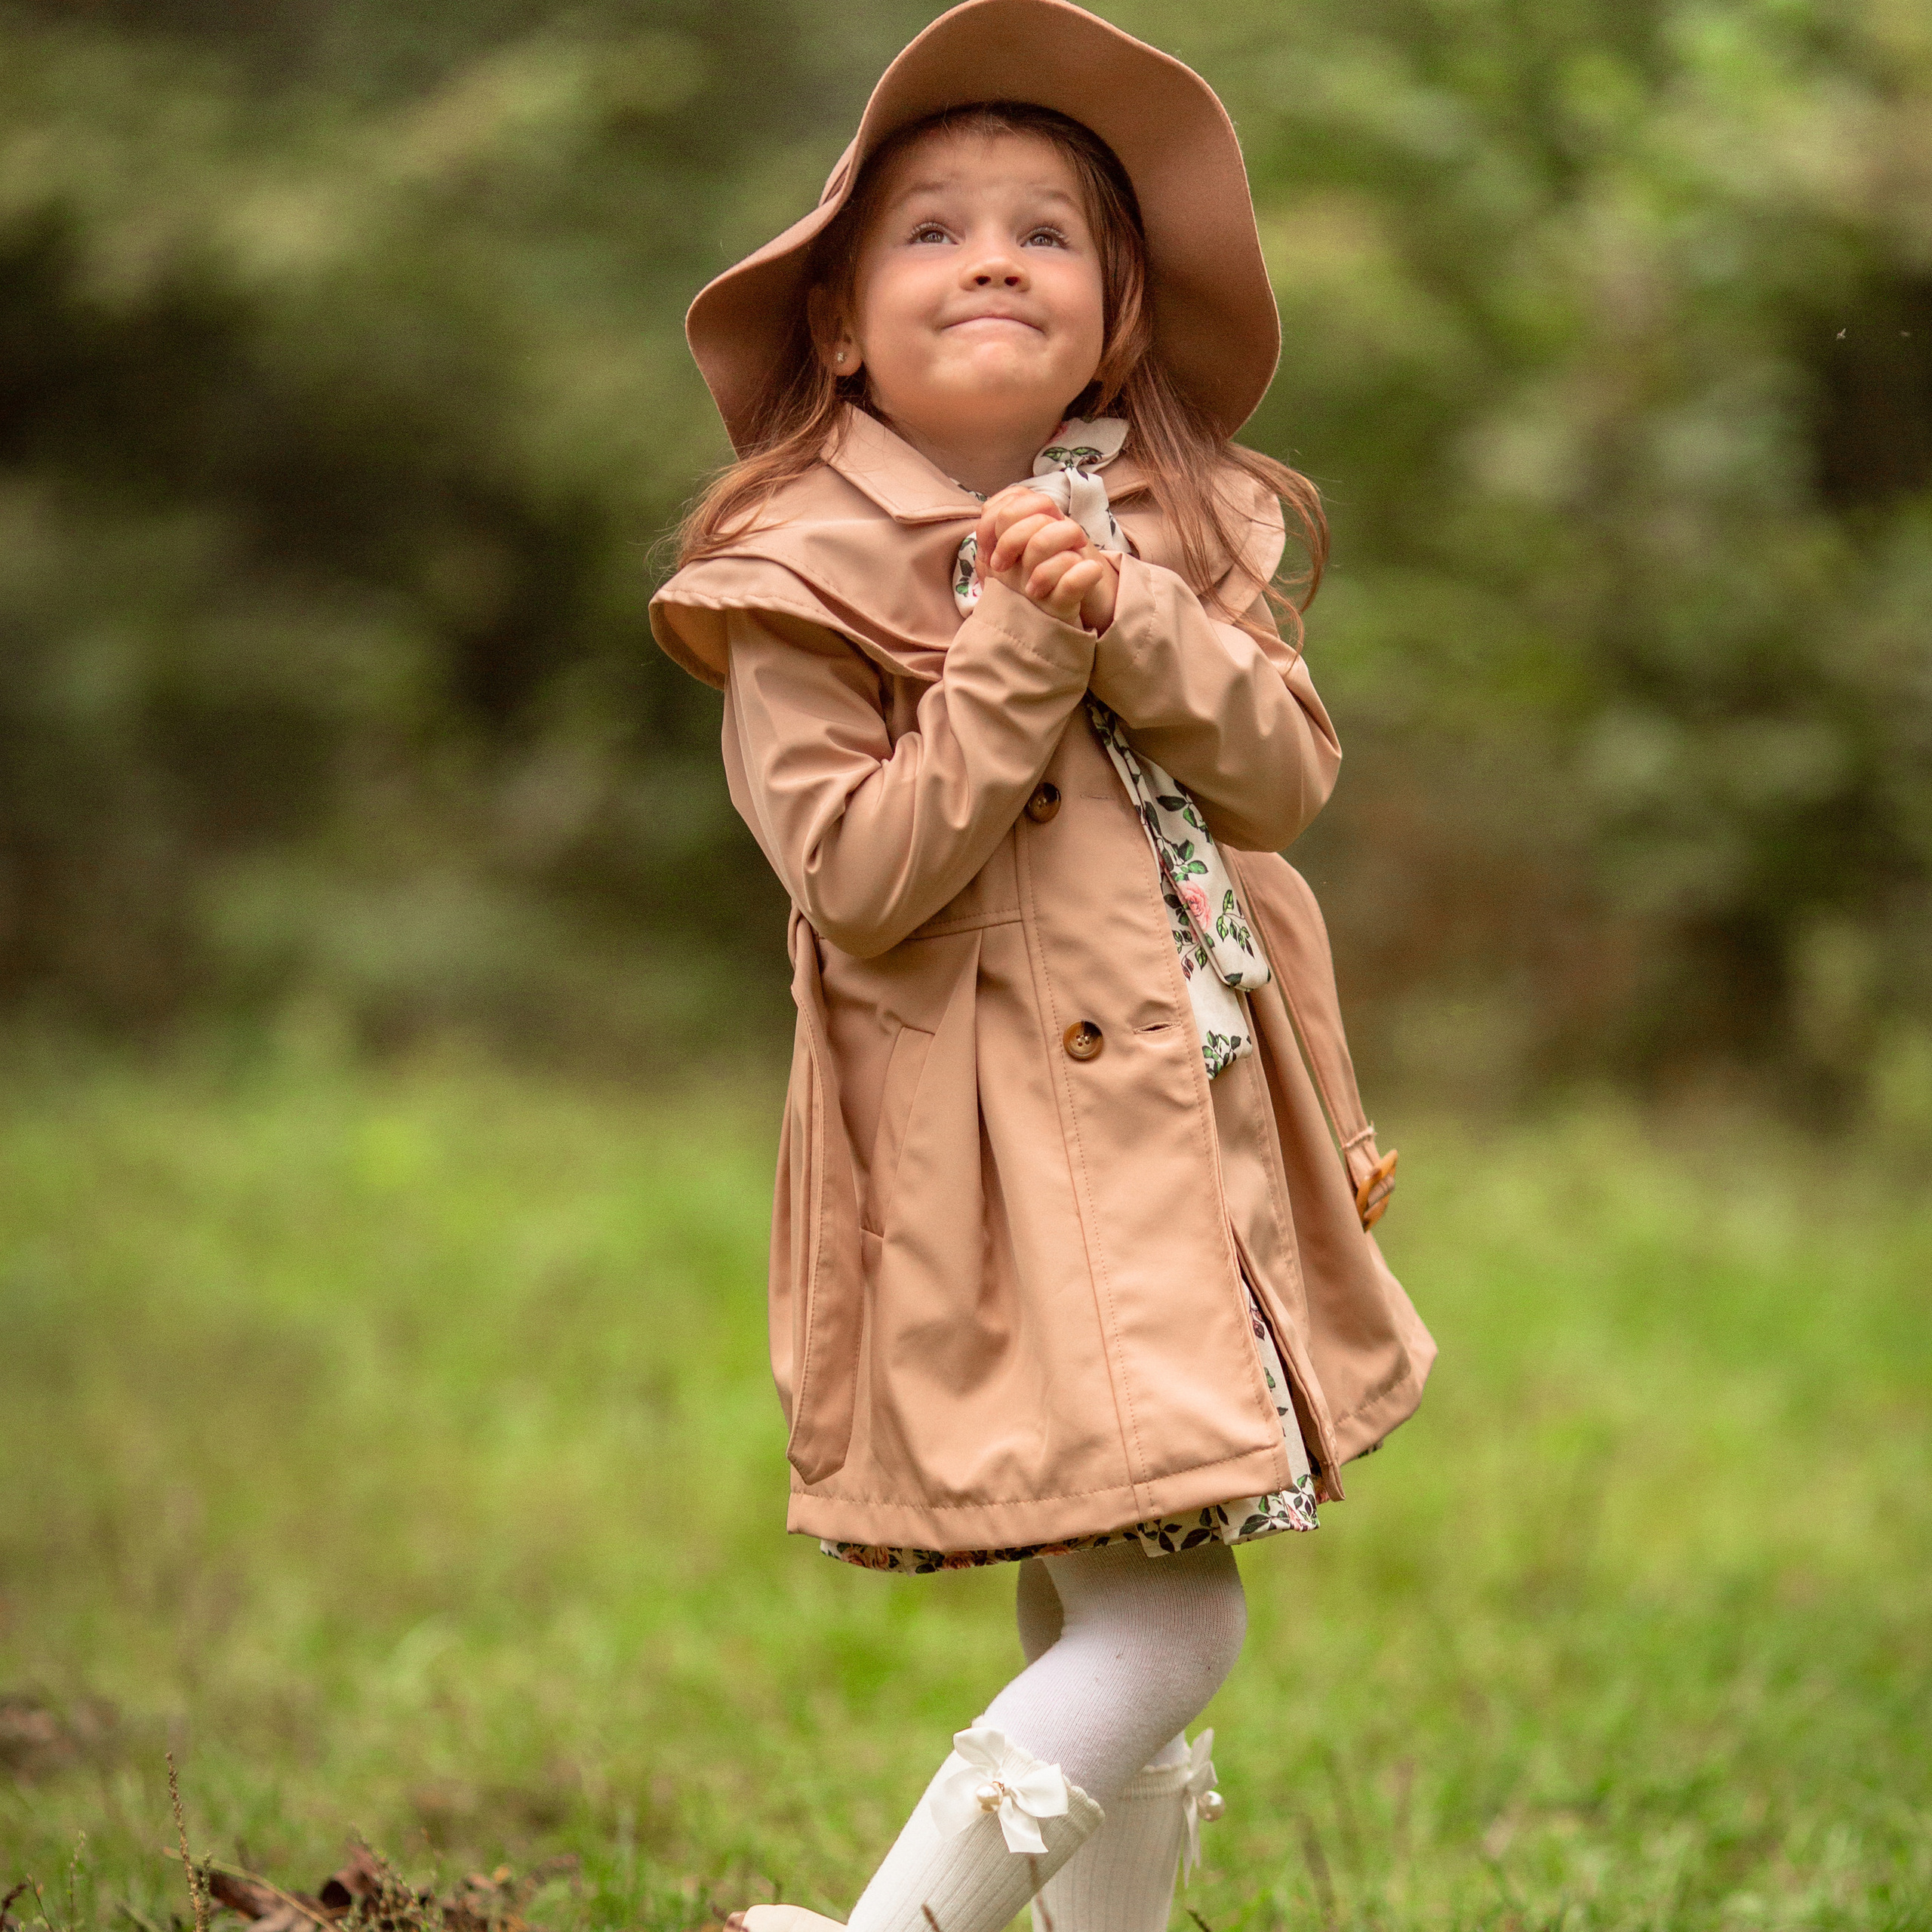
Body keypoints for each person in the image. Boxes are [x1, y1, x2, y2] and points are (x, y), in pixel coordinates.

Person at [650, 4, 1435, 1928]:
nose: (991, 255)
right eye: (931, 230)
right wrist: (1016, 641)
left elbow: (1281, 772)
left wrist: (1134, 610)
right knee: (1165, 1620)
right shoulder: (792, 582)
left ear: (1115, 313)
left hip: (1187, 1139)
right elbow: (858, 874)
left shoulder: (1183, 529)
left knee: (1104, 1573)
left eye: (1044, 231)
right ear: (838, 320)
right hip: (992, 1170)